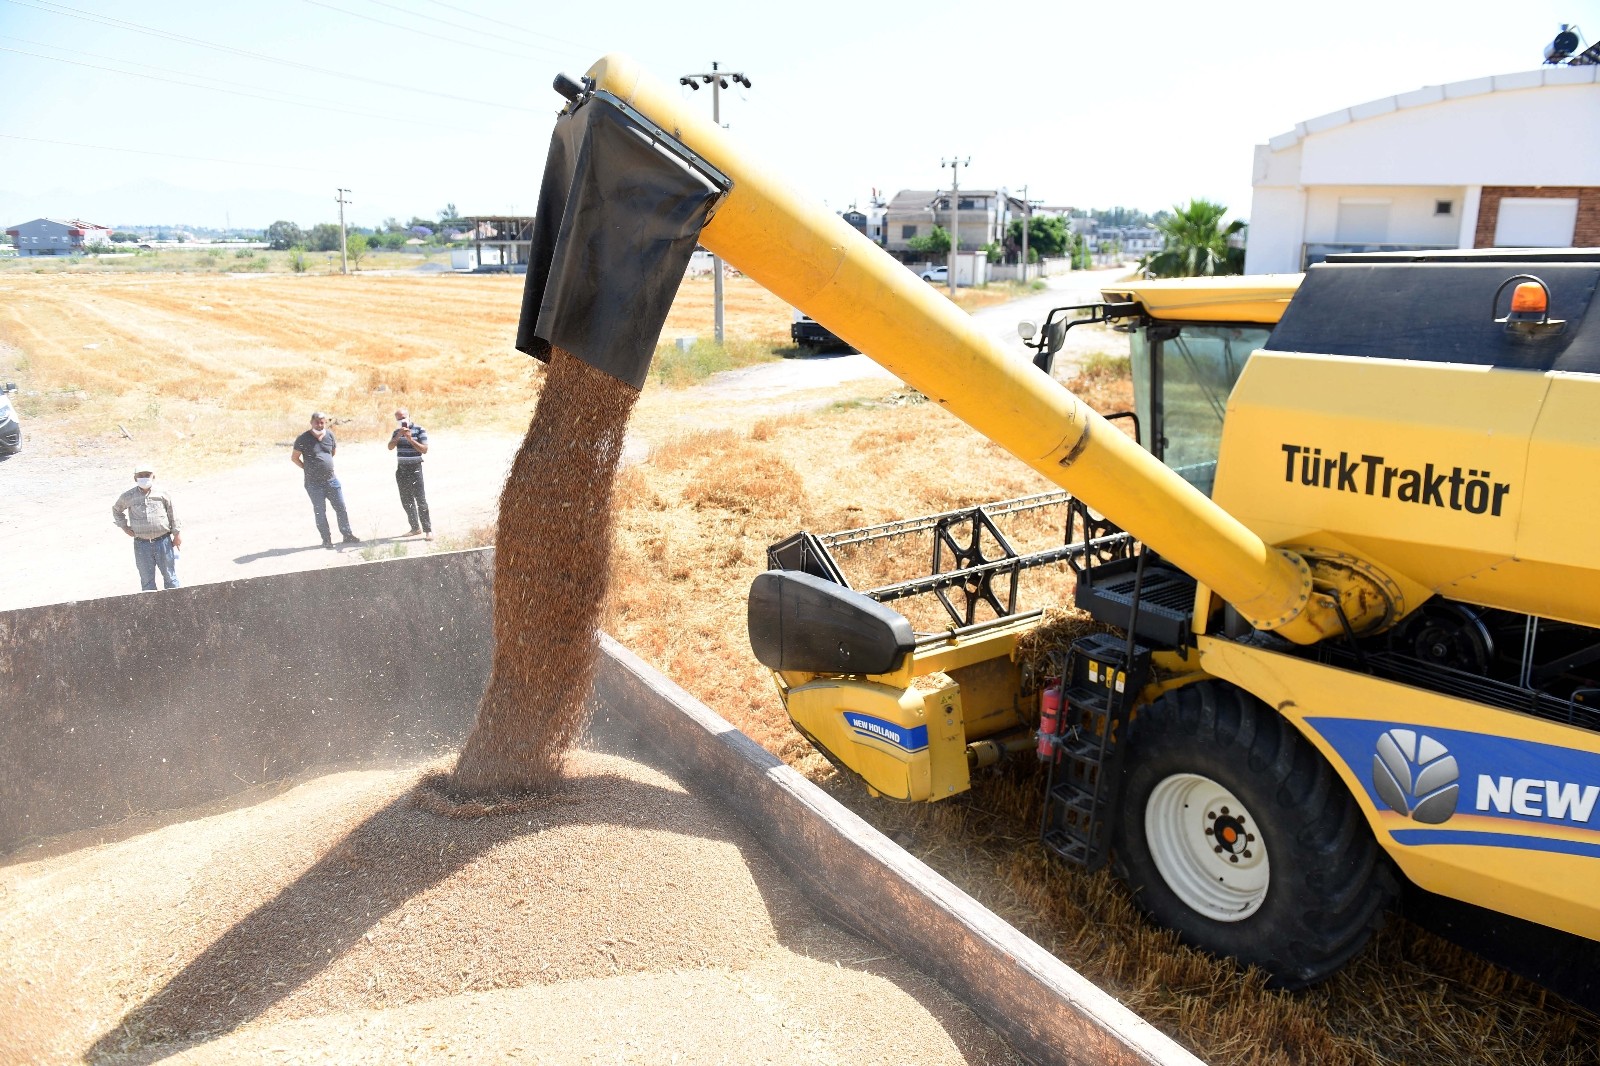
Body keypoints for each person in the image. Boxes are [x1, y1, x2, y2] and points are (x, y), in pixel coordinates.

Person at [291, 411, 360, 549]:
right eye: (317, 421)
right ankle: (326, 539)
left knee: (341, 508)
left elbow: (332, 452)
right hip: (313, 483)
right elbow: (294, 458)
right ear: (311, 422)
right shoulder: (303, 438)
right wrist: (307, 468)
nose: (319, 424)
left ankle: (347, 535)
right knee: (320, 511)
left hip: (331, 480)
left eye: (322, 422)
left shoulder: (330, 435)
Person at [112, 462, 181, 591]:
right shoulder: (128, 496)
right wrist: (125, 527)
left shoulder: (162, 493)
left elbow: (172, 513)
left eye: (147, 475)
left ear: (153, 477)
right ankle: (153, 611)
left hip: (163, 542)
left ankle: (177, 608)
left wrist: (177, 535)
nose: (144, 478)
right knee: (147, 582)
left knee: (170, 579)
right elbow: (116, 510)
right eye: (141, 475)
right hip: (142, 545)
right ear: (135, 478)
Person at [387, 406, 433, 540]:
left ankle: (428, 530)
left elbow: (424, 449)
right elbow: (390, 447)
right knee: (406, 500)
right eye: (398, 419)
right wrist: (399, 436)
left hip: (415, 468)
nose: (401, 421)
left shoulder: (419, 429)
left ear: (409, 417)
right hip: (401, 469)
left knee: (421, 500)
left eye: (403, 418)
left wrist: (410, 439)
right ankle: (415, 527)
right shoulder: (397, 432)